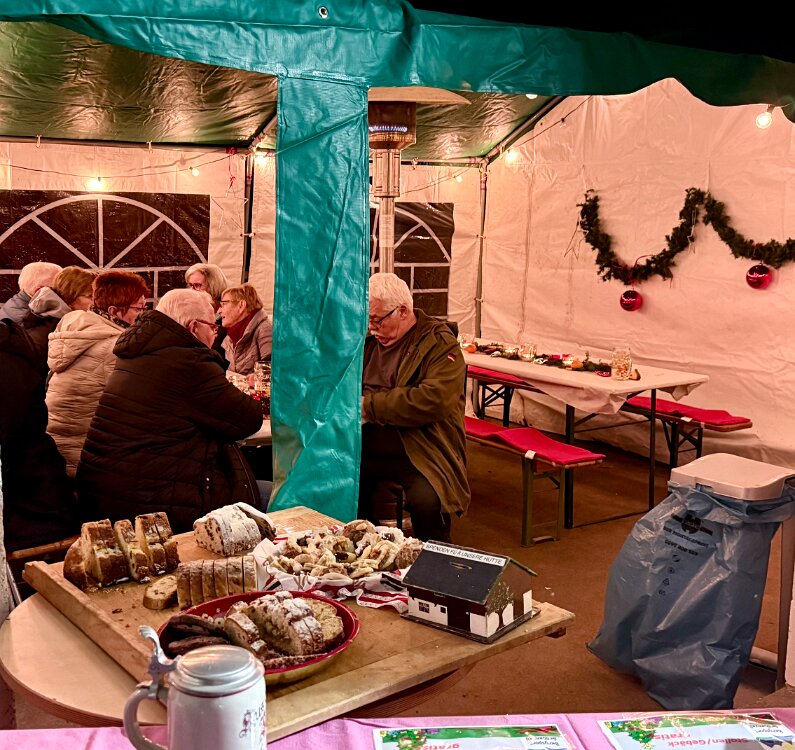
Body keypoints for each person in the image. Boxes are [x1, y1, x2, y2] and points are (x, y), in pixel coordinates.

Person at [76, 289, 266, 532]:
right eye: (212, 327)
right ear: (193, 327)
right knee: (273, 494)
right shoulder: (189, 362)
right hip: (151, 506)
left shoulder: (138, 351)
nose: (215, 333)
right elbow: (249, 419)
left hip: (103, 493)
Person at [359, 273, 470, 542]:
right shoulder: (368, 342)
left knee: (427, 501)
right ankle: (362, 550)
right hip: (367, 445)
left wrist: (367, 406)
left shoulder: (438, 344)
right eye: (368, 320)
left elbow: (433, 400)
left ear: (403, 311)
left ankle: (436, 563)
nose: (372, 328)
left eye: (377, 320)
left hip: (421, 448)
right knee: (338, 484)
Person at [46, 270, 151, 477]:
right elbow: (138, 407)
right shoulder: (113, 348)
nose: (143, 315)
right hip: (84, 457)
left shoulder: (79, 328)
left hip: (59, 448)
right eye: (138, 308)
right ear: (114, 311)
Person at [218, 282, 272, 378]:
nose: (219, 311)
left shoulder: (264, 329)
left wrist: (255, 378)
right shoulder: (229, 337)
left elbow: (270, 369)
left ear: (241, 305)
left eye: (223, 304)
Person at [185, 262, 231, 368]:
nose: (191, 291)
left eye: (197, 285)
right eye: (190, 285)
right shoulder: (189, 314)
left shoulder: (227, 318)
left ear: (213, 287)